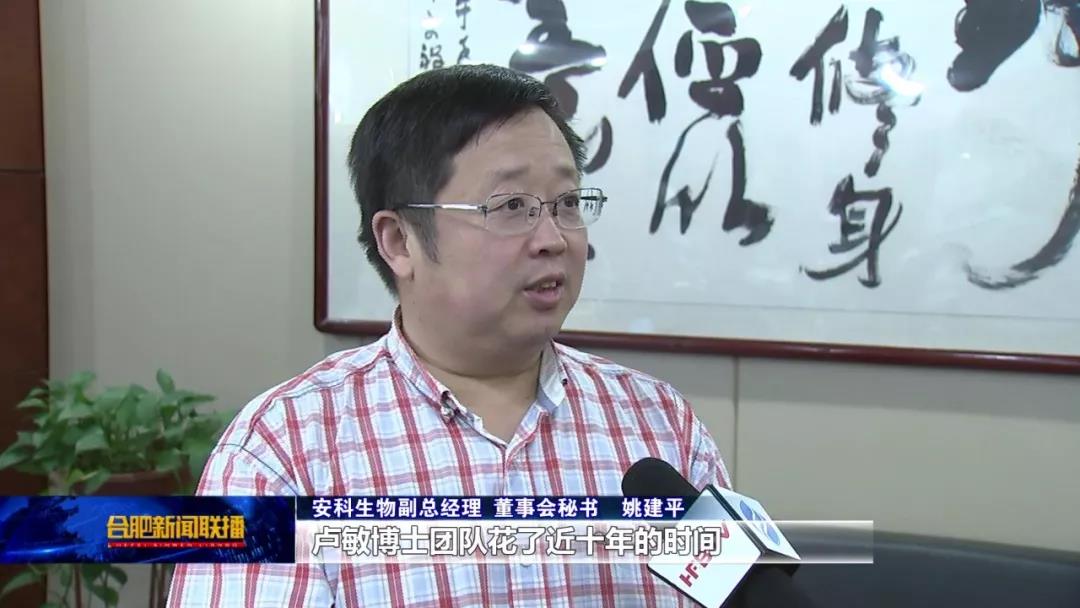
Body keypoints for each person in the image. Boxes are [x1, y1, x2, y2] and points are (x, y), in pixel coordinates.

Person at [167, 64, 730, 607]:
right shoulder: (283, 452)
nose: (553, 238)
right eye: (512, 206)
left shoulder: (661, 425)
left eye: (566, 204)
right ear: (399, 241)